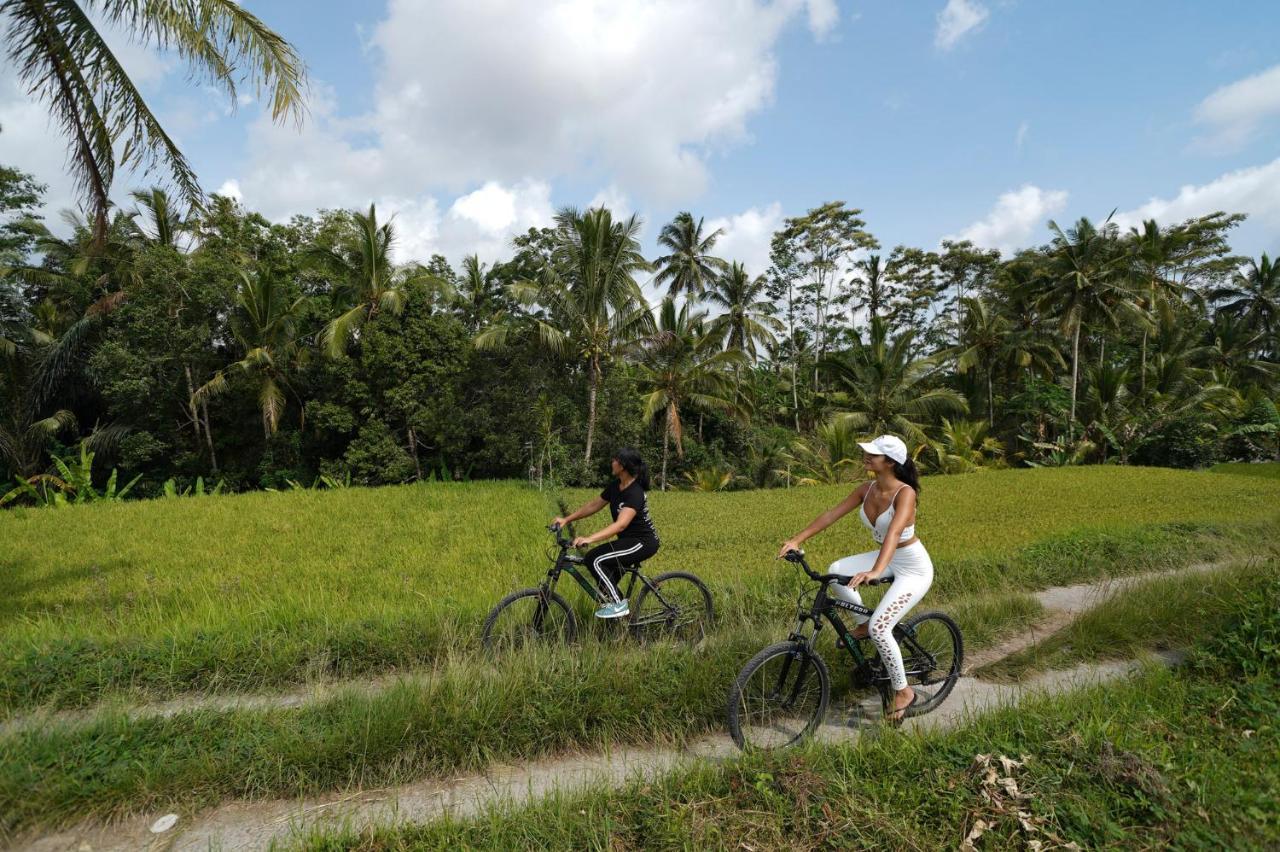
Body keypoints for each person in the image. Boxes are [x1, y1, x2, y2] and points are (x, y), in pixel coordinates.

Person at [777, 434, 932, 724]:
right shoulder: (866, 489)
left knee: (881, 626)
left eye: (873, 454)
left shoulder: (905, 493)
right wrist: (796, 539)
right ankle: (861, 626)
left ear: (890, 462)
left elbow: (895, 534)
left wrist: (874, 571)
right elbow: (830, 515)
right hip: (884, 557)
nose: (866, 457)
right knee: (835, 571)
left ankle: (902, 691)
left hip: (912, 566)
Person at [552, 448, 661, 619]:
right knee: (606, 585)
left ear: (623, 466)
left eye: (615, 460)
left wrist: (589, 538)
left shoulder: (635, 493)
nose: (612, 463)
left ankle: (619, 606)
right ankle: (624, 623)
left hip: (642, 543)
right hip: (627, 541)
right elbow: (593, 506)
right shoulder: (615, 487)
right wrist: (567, 519)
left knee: (593, 559)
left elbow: (620, 525)